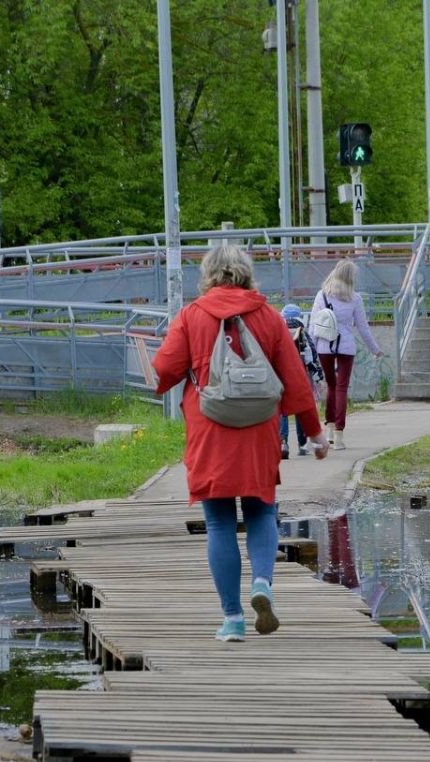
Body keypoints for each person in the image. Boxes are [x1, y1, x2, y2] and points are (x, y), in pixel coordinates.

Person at [152, 245, 329, 643]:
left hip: (210, 431)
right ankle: (262, 583)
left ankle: (232, 619)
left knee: (219, 522)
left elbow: (163, 373)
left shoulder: (192, 316)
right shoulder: (268, 317)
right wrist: (315, 432)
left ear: (209, 275)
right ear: (246, 274)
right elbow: (296, 381)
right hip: (259, 431)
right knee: (263, 513)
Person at [310, 259, 384, 450]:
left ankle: (329, 429)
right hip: (346, 348)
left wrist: (312, 349)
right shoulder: (355, 298)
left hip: (325, 347)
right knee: (341, 388)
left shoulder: (322, 295)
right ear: (351, 278)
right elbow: (363, 328)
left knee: (330, 387)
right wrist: (375, 349)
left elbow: (313, 325)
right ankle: (339, 437)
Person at [277, 303, 323, 459]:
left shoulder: (278, 330)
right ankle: (302, 444)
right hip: (299, 375)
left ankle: (283, 442)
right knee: (300, 409)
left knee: (282, 410)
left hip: (280, 375)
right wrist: (318, 373)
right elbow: (313, 353)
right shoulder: (302, 332)